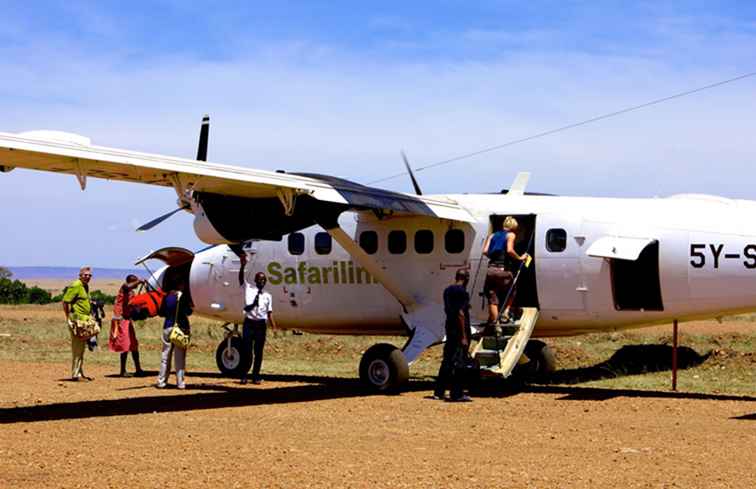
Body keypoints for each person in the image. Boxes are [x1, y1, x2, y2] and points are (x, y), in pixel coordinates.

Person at [433, 269, 473, 402]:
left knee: (447, 360)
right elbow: (460, 314)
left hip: (449, 329)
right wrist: (463, 336)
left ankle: (439, 391)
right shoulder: (462, 292)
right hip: (459, 331)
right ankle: (457, 393)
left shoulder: (447, 291)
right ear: (466, 278)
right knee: (460, 362)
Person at [482, 216, 529, 324]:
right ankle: (506, 312)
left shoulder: (492, 235)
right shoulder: (511, 235)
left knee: (492, 297)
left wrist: (493, 258)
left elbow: (484, 251)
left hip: (491, 270)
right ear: (513, 227)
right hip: (503, 270)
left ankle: (496, 324)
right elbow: (509, 250)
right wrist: (520, 258)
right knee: (512, 290)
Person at [241, 271, 277, 385]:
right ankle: (244, 375)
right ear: (255, 281)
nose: (261, 282)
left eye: (263, 280)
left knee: (258, 352)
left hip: (261, 325)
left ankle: (256, 375)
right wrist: (242, 266)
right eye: (259, 279)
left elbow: (269, 312)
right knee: (247, 351)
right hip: (249, 324)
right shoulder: (249, 290)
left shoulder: (268, 296)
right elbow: (241, 279)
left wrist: (274, 327)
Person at [156, 282, 192, 389]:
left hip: (167, 327)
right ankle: (180, 383)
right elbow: (188, 312)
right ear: (180, 285)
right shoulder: (183, 297)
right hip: (180, 329)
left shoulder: (166, 297)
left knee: (165, 356)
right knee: (180, 357)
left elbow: (161, 312)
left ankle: (161, 381)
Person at [109, 274, 146, 377]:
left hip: (127, 320)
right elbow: (127, 286)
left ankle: (138, 369)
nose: (136, 284)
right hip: (120, 319)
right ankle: (122, 371)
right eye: (134, 281)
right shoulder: (124, 288)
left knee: (133, 344)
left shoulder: (132, 293)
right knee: (125, 344)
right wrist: (139, 281)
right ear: (130, 281)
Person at [62, 267, 94, 381]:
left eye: (90, 275)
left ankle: (80, 372)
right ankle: (76, 374)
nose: (88, 277)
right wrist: (68, 318)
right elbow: (65, 301)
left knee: (81, 348)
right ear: (80, 275)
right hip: (76, 320)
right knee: (77, 348)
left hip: (84, 320)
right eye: (85, 275)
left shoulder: (85, 286)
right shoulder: (76, 285)